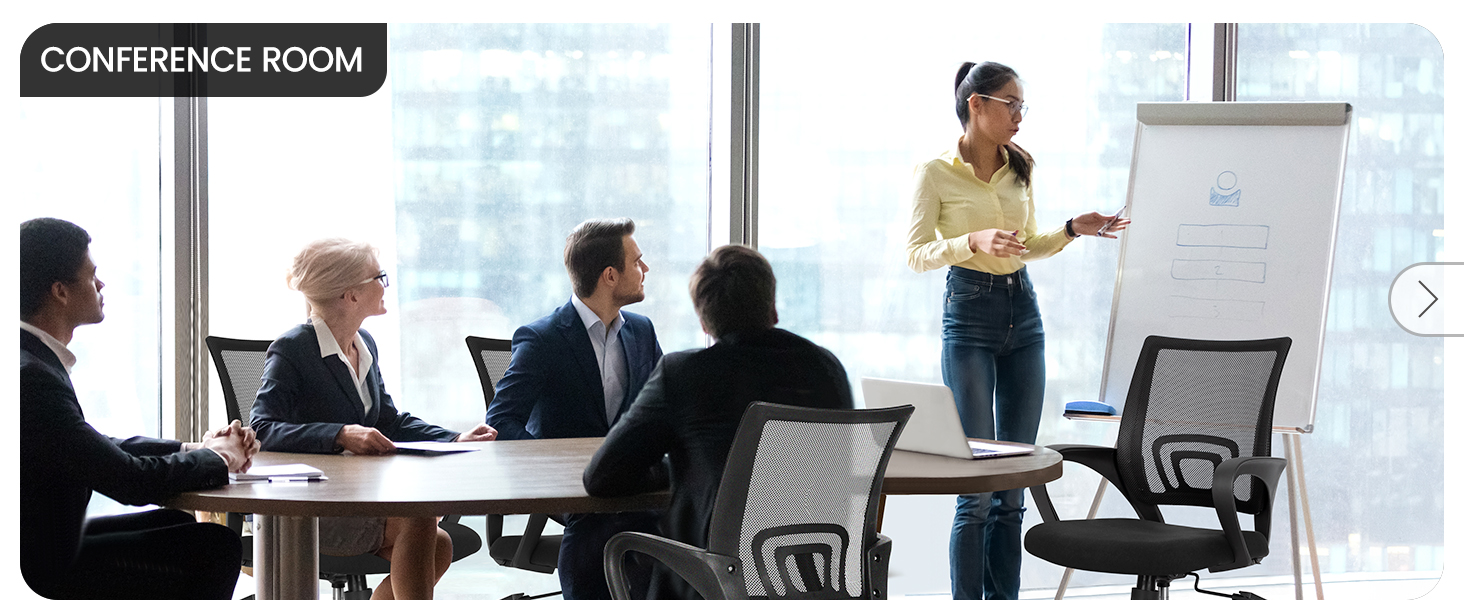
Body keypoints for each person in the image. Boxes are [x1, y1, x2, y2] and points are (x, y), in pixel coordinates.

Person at [905, 61, 1129, 600]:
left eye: (1023, 105)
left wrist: (1072, 229)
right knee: (976, 487)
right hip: (969, 313)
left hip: (1022, 312)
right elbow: (916, 254)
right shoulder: (935, 172)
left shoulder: (1021, 166)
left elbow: (1026, 245)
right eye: (1011, 104)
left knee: (1013, 484)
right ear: (976, 104)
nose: (1019, 116)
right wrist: (971, 241)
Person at [583, 244, 854, 600]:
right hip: (815, 579)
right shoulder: (826, 367)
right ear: (772, 308)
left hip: (716, 583)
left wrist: (677, 471)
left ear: (705, 322)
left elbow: (602, 477)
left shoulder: (684, 374)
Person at [20, 217, 260, 600]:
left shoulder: (30, 360)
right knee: (214, 546)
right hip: (37, 562)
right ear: (60, 291)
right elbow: (128, 479)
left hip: (40, 541)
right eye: (91, 275)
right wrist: (220, 458)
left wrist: (196, 449)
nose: (101, 284)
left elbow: (94, 445)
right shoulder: (31, 376)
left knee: (176, 523)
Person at [251, 238, 498, 600]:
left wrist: (454, 438)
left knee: (439, 545)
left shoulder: (363, 343)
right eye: (379, 277)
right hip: (312, 507)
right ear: (350, 295)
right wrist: (339, 434)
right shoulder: (294, 348)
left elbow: (388, 420)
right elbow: (262, 428)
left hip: (361, 494)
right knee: (422, 520)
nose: (385, 284)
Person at [487, 217, 663, 600]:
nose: (645, 269)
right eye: (637, 261)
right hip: (576, 487)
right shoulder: (543, 338)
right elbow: (501, 421)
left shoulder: (642, 331)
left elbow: (663, 412)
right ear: (610, 276)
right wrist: (561, 464)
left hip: (634, 480)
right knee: (601, 523)